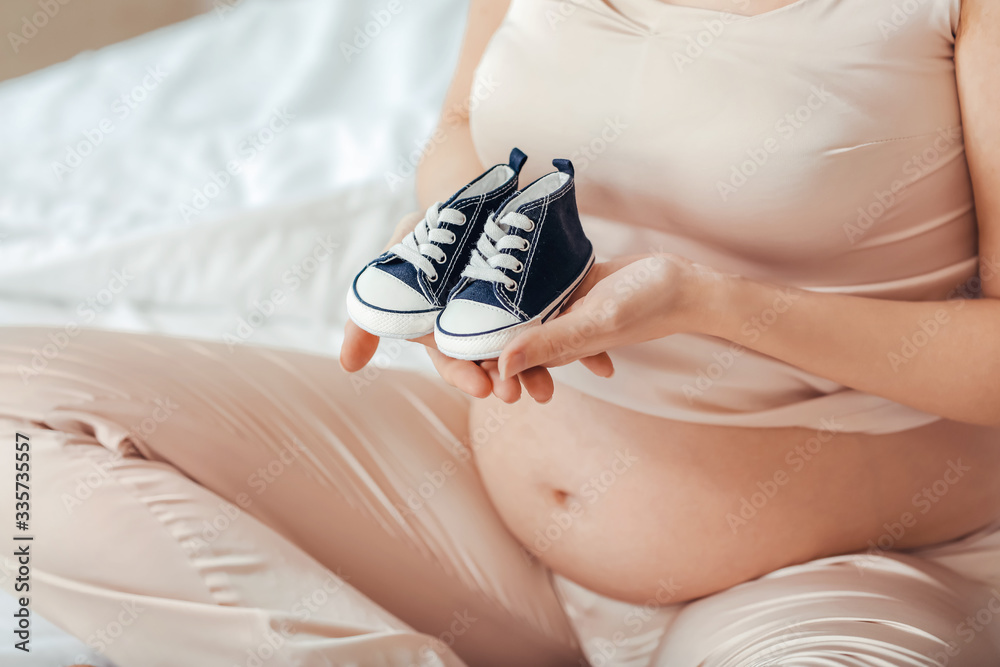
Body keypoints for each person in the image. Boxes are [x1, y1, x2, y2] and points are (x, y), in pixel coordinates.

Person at [3, 0, 1000, 665]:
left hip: (824, 572)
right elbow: (460, 135)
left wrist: (704, 301)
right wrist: (453, 228)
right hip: (482, 522)